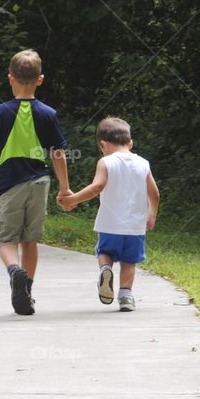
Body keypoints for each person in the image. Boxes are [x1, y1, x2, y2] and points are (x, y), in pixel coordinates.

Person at [0, 49, 71, 315]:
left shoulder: (0, 112)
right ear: (40, 80)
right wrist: (65, 189)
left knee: (7, 241)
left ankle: (14, 271)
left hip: (10, 185)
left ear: (10, 78)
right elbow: (58, 153)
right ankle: (26, 291)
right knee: (30, 241)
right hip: (40, 182)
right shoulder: (48, 113)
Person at [58, 117, 160, 311]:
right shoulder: (143, 163)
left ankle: (105, 270)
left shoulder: (106, 162)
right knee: (129, 261)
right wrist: (151, 214)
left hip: (110, 224)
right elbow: (154, 193)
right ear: (130, 142)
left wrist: (73, 200)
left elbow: (97, 187)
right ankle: (126, 296)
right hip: (135, 226)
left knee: (105, 253)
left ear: (103, 144)